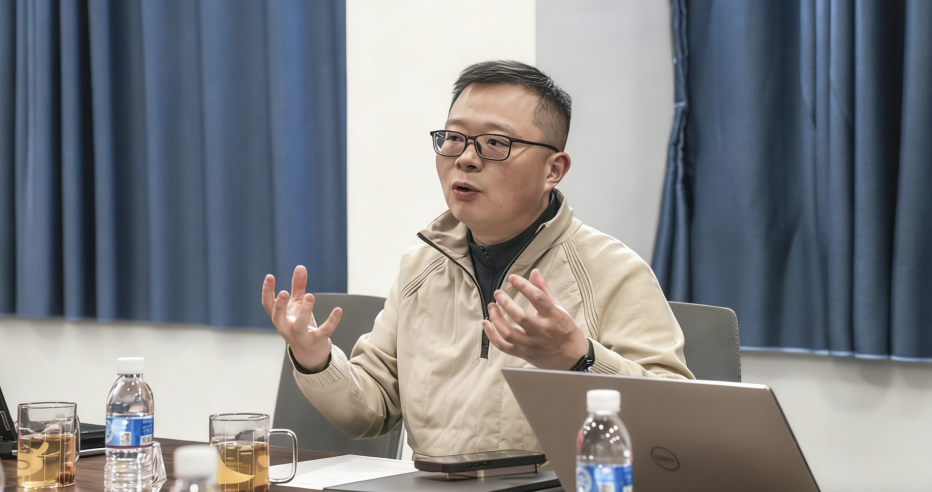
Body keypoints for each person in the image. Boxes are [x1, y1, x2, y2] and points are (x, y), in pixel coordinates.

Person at [261, 60, 692, 457]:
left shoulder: (612, 271)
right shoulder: (420, 267)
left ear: (553, 170)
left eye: (494, 143)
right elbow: (369, 411)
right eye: (454, 139)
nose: (465, 159)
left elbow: (678, 422)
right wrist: (315, 358)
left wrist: (578, 356)